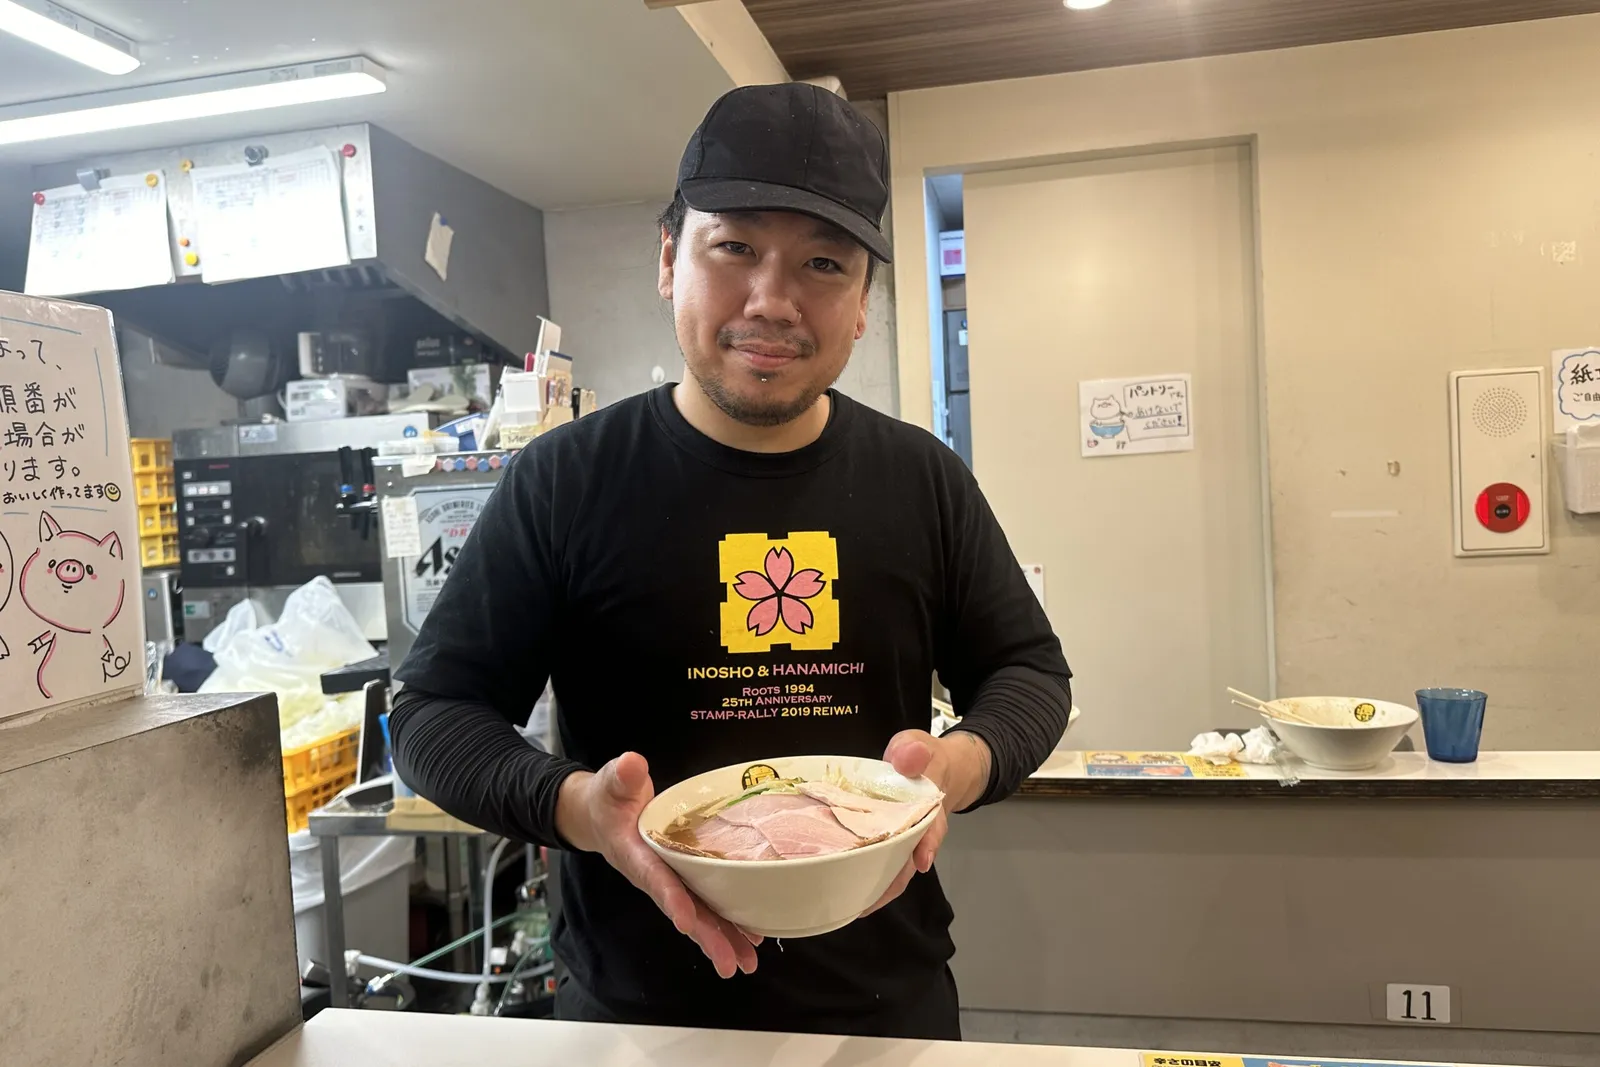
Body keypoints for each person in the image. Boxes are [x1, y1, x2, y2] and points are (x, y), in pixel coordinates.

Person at [391, 82, 1073, 1040]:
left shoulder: (921, 478)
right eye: (736, 247)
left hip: (886, 1007)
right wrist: (580, 808)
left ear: (863, 302)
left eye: (824, 262)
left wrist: (956, 767)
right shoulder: (565, 479)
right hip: (633, 1018)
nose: (772, 301)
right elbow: (431, 713)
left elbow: (1029, 672)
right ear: (669, 258)